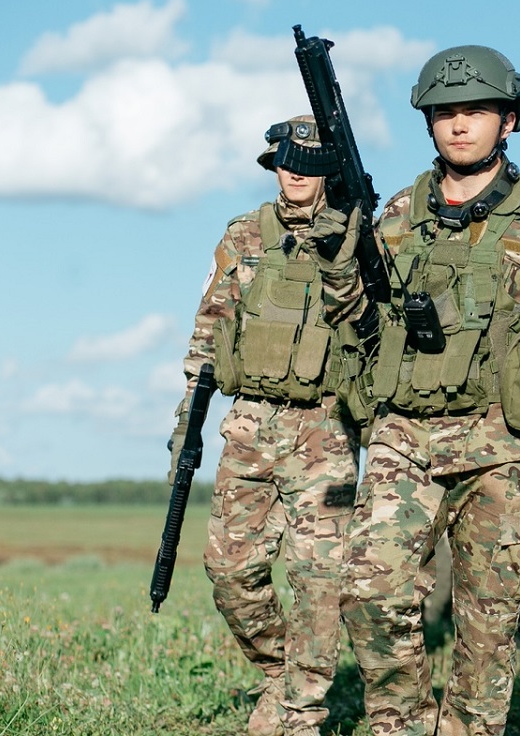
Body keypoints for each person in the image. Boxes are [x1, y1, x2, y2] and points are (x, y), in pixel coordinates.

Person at [304, 45, 520, 736]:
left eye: (476, 111)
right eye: (445, 112)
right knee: (370, 590)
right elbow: (355, 314)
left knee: (489, 621)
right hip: (403, 436)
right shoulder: (398, 210)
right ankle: (401, 724)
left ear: (509, 120)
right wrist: (335, 251)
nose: (459, 125)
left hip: (505, 444)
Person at [170, 115, 360, 736]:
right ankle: (280, 673)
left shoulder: (360, 235)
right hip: (250, 420)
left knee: (317, 572)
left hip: (325, 426)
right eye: (284, 162)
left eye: (307, 166)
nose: (293, 174)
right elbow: (208, 328)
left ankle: (304, 709)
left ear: (328, 172)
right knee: (229, 570)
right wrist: (186, 424)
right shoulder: (245, 233)